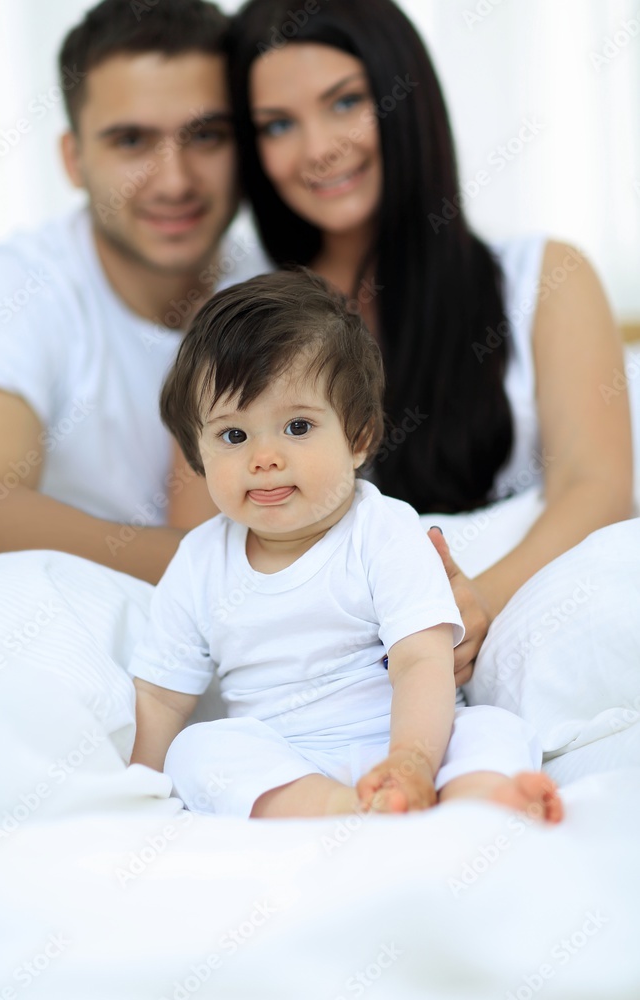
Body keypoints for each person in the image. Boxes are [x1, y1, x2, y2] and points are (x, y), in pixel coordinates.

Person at [223, 0, 633, 682]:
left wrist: (460, 610)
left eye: (345, 101)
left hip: (506, 617)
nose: (318, 147)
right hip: (346, 664)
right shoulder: (246, 322)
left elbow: (595, 487)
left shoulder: (546, 277)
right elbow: (214, 537)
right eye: (278, 124)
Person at [129, 270, 563, 822]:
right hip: (289, 759)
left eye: (297, 427)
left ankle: (478, 796)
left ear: (358, 438)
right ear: (198, 455)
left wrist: (410, 759)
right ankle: (342, 808)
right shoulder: (199, 561)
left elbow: (420, 661)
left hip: (407, 737)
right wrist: (135, 789)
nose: (264, 457)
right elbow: (162, 694)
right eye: (233, 436)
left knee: (491, 727)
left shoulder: (382, 530)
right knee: (197, 752)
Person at [0, 0, 270, 585]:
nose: (175, 180)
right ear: (73, 159)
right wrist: (231, 573)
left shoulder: (272, 287)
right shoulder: (21, 281)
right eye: (132, 141)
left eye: (206, 135)